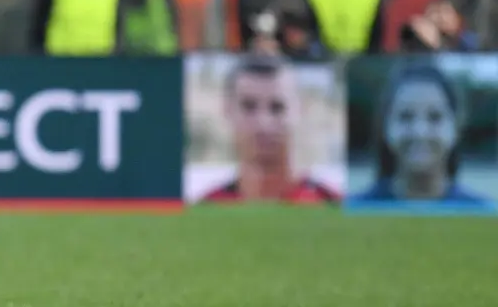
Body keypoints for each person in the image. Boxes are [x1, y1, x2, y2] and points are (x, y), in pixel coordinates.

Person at [198, 56, 341, 203]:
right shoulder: (208, 206)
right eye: (248, 106)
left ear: (300, 110)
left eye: (277, 108)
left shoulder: (332, 204)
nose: (263, 124)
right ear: (227, 110)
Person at [351, 63, 492, 207]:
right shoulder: (356, 209)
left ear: (456, 127)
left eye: (434, 117)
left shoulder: (484, 212)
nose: (420, 133)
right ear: (385, 126)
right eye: (406, 116)